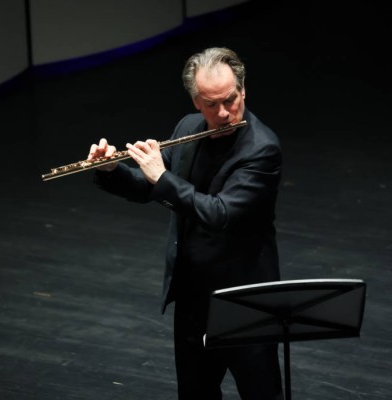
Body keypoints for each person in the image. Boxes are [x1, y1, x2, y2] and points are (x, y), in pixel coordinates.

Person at [89, 47, 284, 400]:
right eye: (211, 104)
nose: (223, 113)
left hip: (245, 303)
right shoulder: (188, 127)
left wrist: (162, 177)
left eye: (230, 100)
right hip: (195, 298)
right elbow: (149, 186)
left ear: (243, 91)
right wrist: (111, 170)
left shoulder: (262, 149)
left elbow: (219, 214)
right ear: (196, 102)